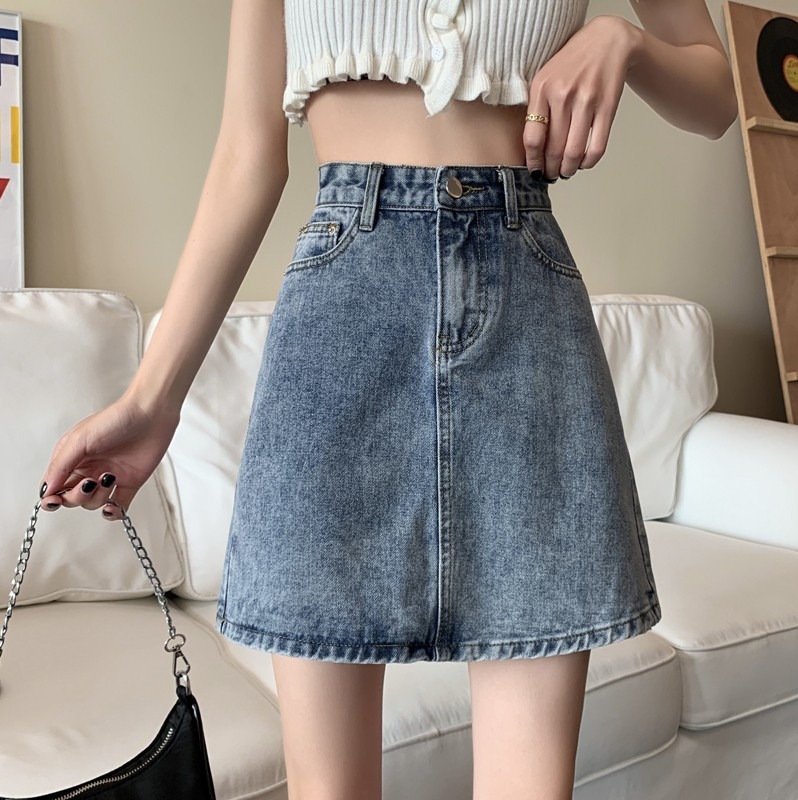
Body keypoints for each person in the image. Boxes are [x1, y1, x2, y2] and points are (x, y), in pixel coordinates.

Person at [37, 1, 737, 798]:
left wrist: (625, 41)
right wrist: (151, 402)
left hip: (528, 310)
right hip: (338, 320)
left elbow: (716, 96)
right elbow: (247, 156)